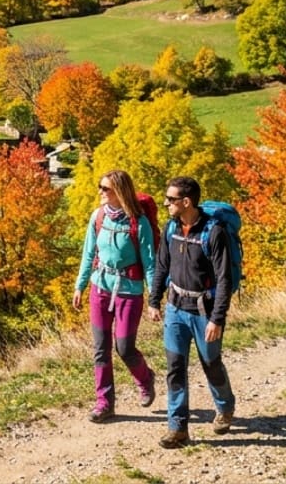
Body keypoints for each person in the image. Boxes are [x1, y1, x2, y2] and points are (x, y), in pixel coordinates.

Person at [148, 175, 236, 448]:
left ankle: (225, 406)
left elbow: (224, 279)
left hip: (203, 312)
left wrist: (217, 319)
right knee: (175, 368)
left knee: (211, 364)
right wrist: (154, 300)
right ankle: (178, 429)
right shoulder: (170, 228)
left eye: (171, 199)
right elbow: (162, 265)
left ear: (186, 202)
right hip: (175, 309)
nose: (166, 203)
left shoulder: (214, 232)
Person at [72, 169, 156, 423]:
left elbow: (150, 263)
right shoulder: (98, 217)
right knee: (100, 348)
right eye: (100, 186)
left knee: (124, 347)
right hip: (100, 288)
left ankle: (145, 378)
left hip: (129, 292)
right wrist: (80, 285)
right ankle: (104, 402)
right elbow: (88, 254)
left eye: (105, 188)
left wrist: (154, 299)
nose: (100, 191)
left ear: (119, 191)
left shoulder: (138, 223)